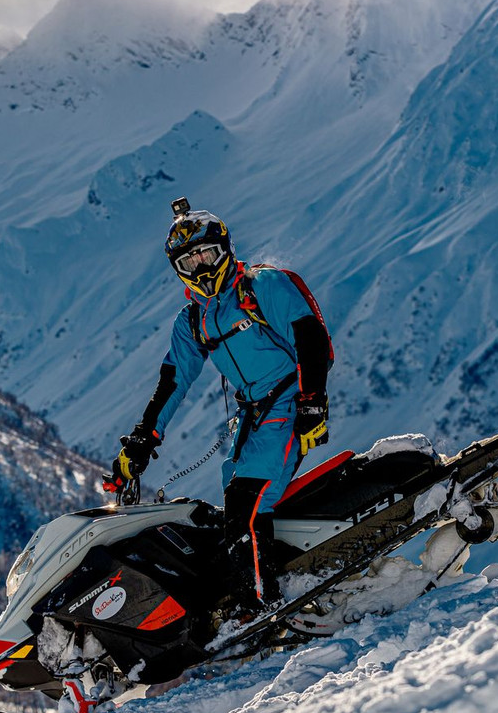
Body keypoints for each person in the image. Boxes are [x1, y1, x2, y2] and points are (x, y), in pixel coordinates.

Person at [107, 197, 332, 615]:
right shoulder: (192, 321)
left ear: (225, 249)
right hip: (252, 414)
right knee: (233, 499)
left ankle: (260, 606)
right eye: (189, 263)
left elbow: (312, 340)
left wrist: (313, 402)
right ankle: (267, 582)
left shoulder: (263, 287)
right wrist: (140, 442)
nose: (202, 269)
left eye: (207, 255)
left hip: (287, 401)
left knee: (248, 501)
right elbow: (172, 384)